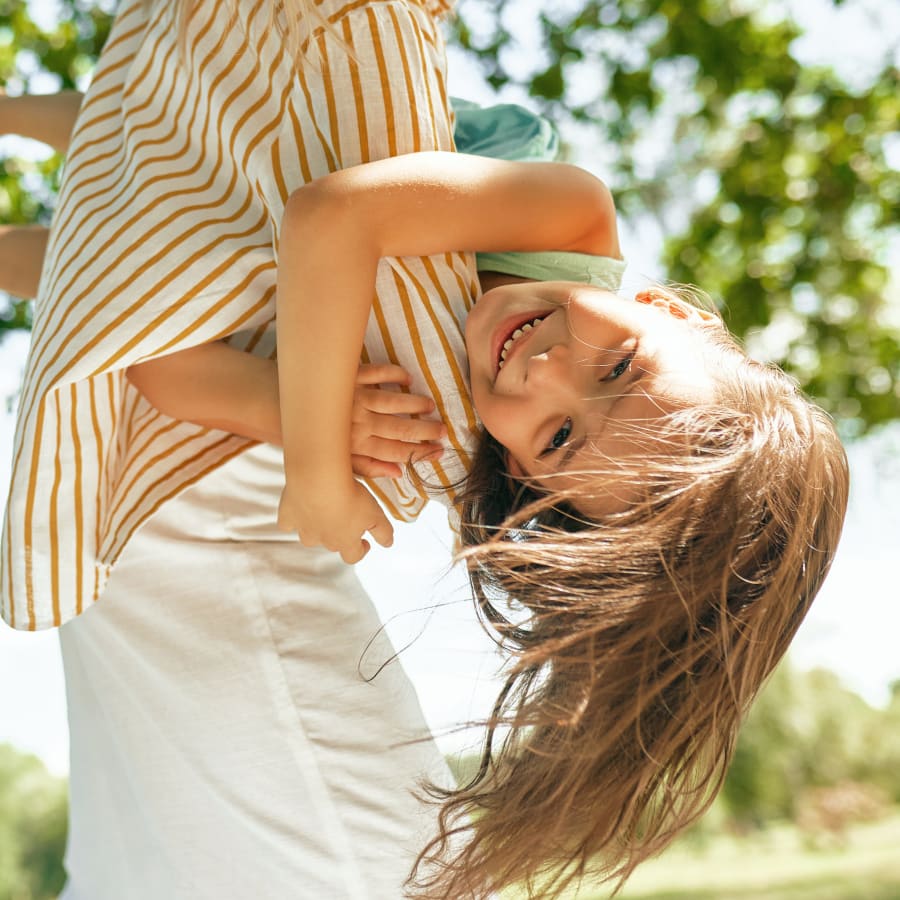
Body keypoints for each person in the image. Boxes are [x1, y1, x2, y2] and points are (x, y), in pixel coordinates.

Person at [0, 5, 849, 900]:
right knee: (160, 131)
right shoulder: (569, 208)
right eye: (621, 364)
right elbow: (331, 214)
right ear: (676, 313)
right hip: (372, 122)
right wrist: (316, 468)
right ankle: (17, 112)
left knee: (129, 257)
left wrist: (281, 406)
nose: (549, 368)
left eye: (559, 436)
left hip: (236, 247)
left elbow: (142, 346)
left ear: (525, 476)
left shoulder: (435, 421)